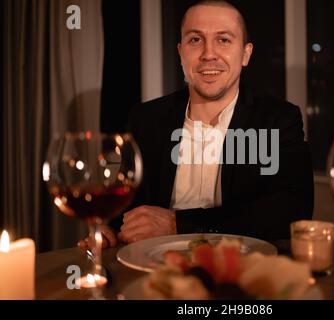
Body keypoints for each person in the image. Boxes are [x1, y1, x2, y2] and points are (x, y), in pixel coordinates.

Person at [78, 0, 314, 249]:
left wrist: (178, 224)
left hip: (241, 270)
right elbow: (125, 202)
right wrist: (109, 229)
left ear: (245, 54)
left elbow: (292, 212)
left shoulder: (277, 120)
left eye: (223, 40)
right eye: (195, 40)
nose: (208, 54)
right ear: (181, 53)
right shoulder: (145, 119)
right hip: (153, 270)